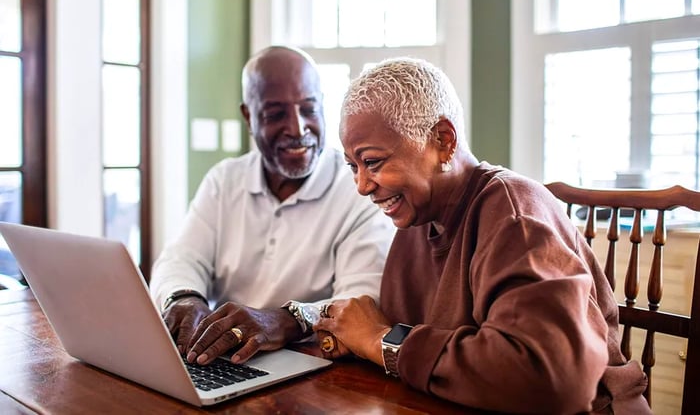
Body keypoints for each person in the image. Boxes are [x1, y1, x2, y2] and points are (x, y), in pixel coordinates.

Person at [314, 57, 651, 414]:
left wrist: (381, 341)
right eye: (353, 166)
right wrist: (344, 331)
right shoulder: (417, 219)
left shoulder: (514, 213)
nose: (362, 186)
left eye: (374, 162)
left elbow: (550, 379)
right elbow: (402, 335)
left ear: (443, 141)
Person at [149, 46, 394, 366]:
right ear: (249, 116)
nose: (297, 129)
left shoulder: (358, 188)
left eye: (308, 109)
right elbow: (180, 260)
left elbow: (362, 303)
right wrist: (184, 297)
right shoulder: (224, 180)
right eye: (276, 114)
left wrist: (288, 320)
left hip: (311, 366)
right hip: (220, 360)